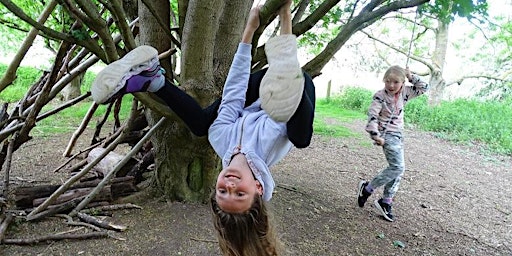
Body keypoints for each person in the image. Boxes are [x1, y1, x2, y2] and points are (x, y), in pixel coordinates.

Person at [91, 1, 314, 254]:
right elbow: (282, 114)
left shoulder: (221, 139)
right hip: (293, 90)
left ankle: (153, 79)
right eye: (239, 194)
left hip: (257, 93)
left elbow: (234, 91)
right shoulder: (270, 141)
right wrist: (285, 16)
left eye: (222, 191)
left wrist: (249, 31)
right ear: (259, 188)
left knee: (203, 126)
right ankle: (287, 70)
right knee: (299, 137)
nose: (230, 185)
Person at [357, 65, 429, 222]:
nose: (391, 85)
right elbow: (372, 115)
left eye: (396, 82)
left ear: (402, 82)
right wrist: (375, 134)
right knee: (398, 167)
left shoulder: (405, 93)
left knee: (397, 169)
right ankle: (369, 188)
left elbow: (424, 87)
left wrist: (411, 76)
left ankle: (386, 200)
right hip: (386, 135)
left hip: (398, 135)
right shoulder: (380, 96)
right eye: (388, 81)